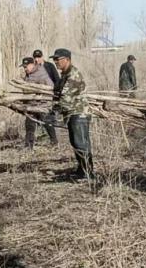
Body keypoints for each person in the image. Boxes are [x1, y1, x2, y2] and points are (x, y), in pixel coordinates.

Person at [51, 48, 95, 181]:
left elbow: (65, 98)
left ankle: (88, 173)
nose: (55, 62)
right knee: (75, 142)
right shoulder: (65, 74)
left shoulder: (73, 75)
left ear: (67, 60)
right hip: (72, 113)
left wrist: (53, 110)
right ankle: (81, 170)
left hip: (79, 113)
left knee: (80, 143)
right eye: (54, 60)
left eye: (57, 59)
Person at [20, 57, 58, 149]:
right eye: (24, 67)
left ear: (32, 65)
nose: (25, 69)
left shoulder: (41, 73)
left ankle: (54, 142)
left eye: (26, 67)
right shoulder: (28, 75)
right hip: (31, 104)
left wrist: (43, 98)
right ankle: (28, 145)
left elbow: (50, 87)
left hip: (42, 104)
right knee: (29, 124)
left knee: (47, 122)